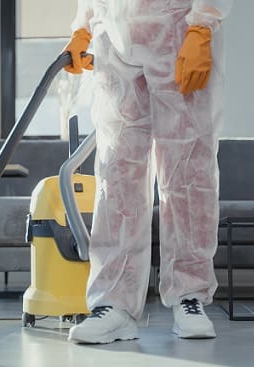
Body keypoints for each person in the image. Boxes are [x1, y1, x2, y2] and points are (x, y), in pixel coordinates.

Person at [63, 0, 233, 344]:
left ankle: (190, 296)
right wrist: (82, 26)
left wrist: (201, 26)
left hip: (178, 30)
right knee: (116, 175)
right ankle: (113, 303)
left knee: (187, 172)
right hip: (113, 37)